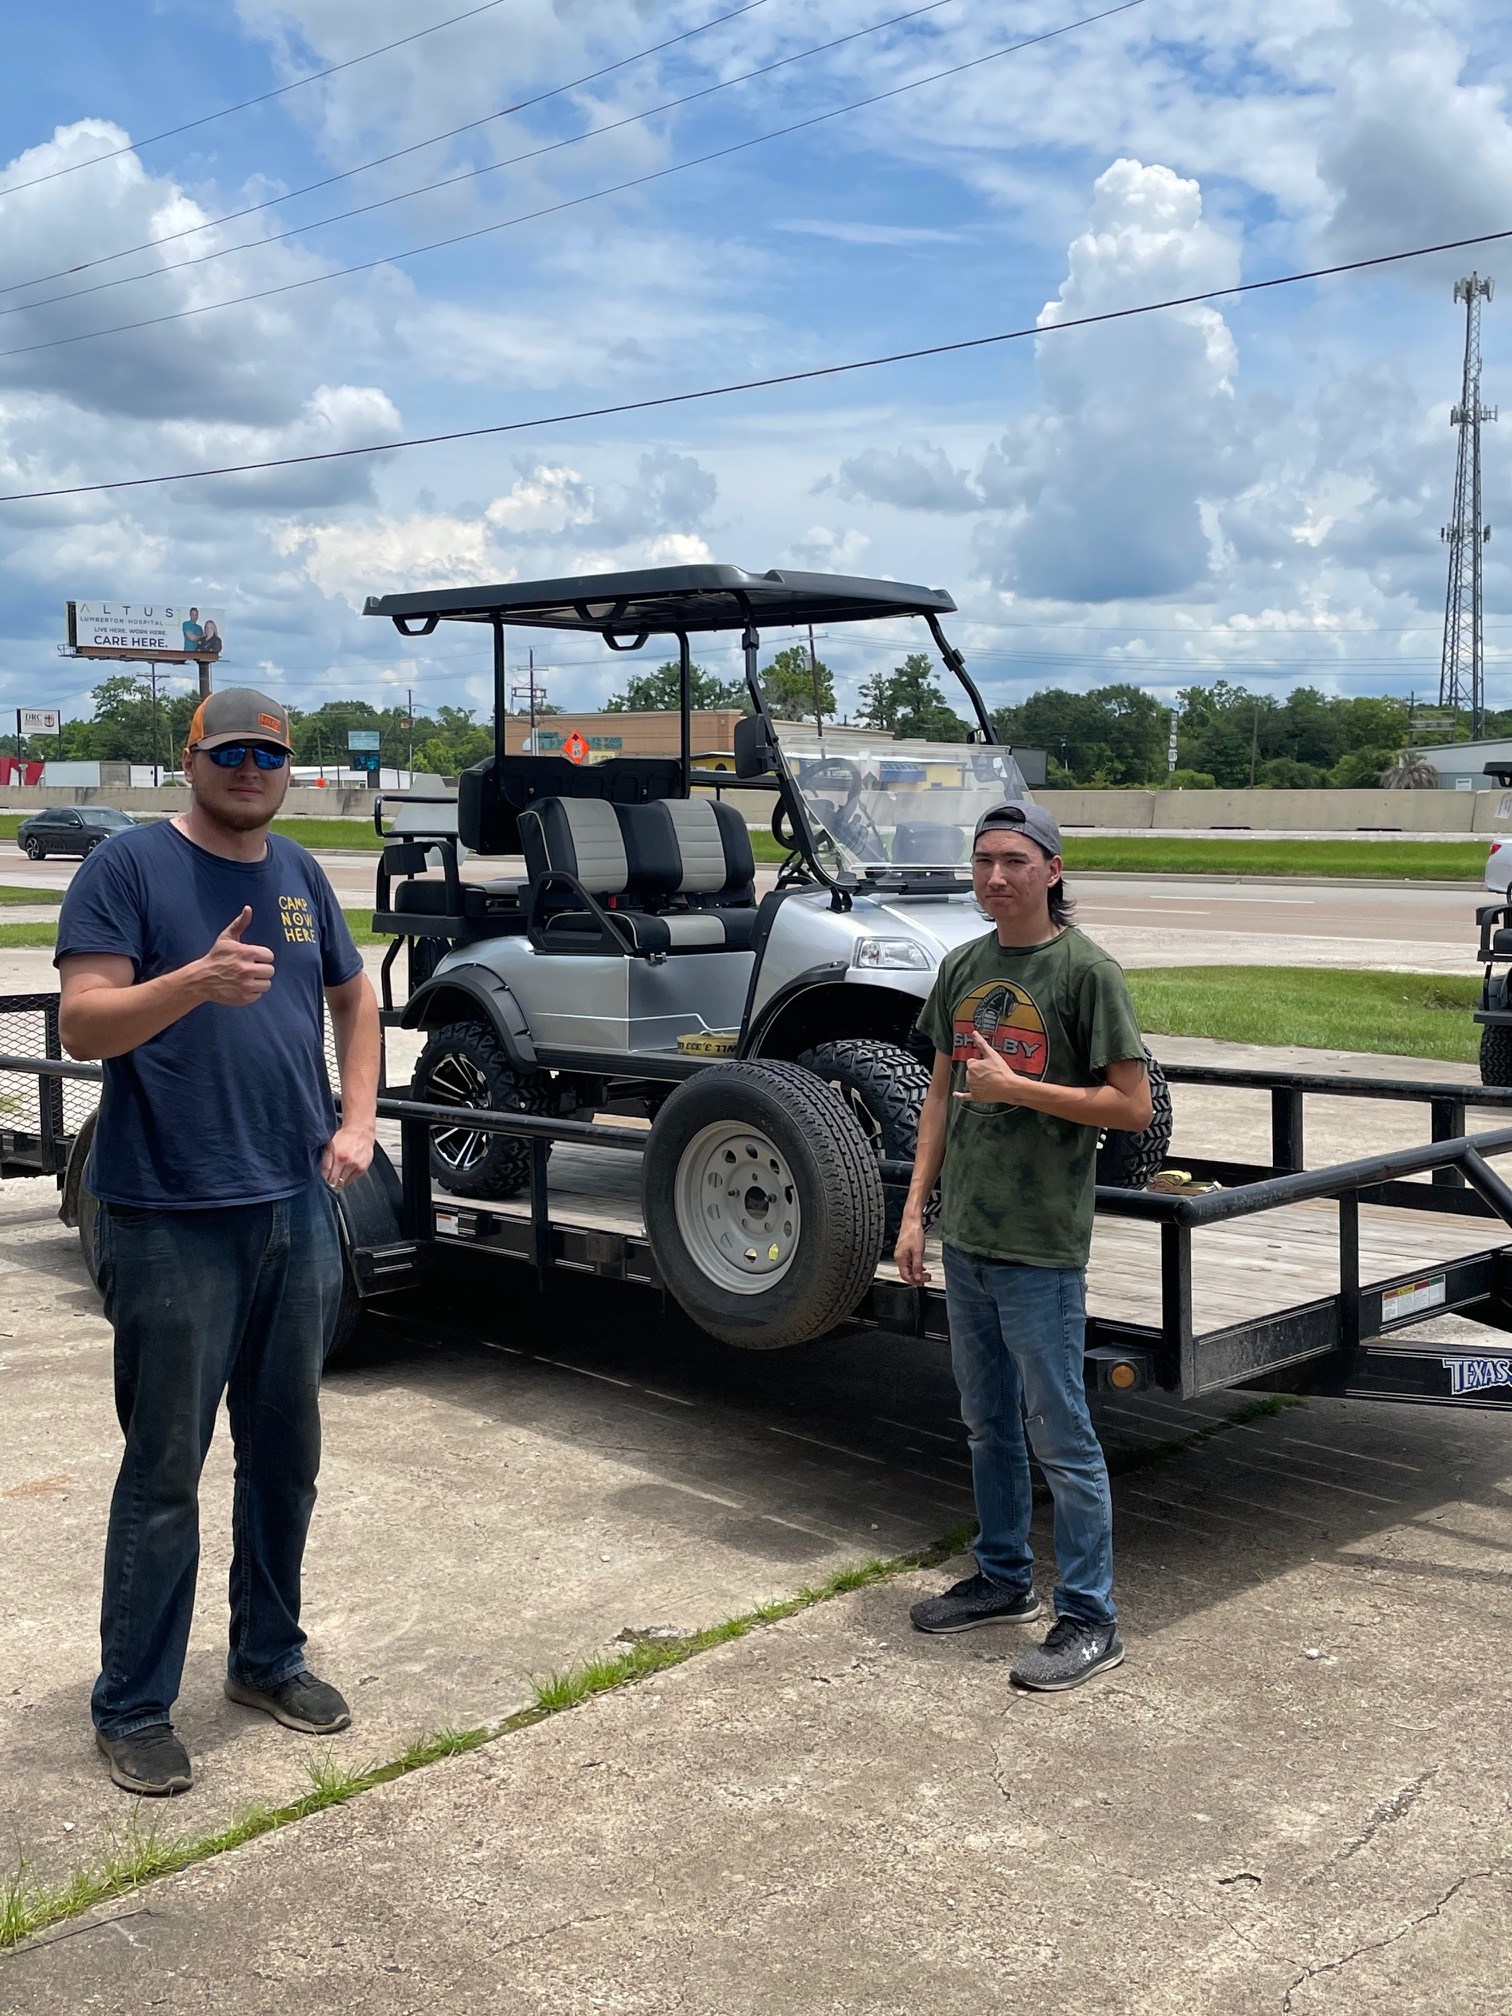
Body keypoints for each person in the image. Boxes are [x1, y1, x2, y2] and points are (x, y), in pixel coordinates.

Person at [56, 687, 381, 1796]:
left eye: (270, 755)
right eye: (231, 752)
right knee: (165, 1470)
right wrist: (193, 981)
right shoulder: (128, 870)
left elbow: (355, 1001)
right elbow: (82, 1023)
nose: (252, 769)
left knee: (286, 1454)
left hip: (294, 1206)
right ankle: (133, 1705)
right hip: (168, 1214)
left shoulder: (298, 875)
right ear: (190, 759)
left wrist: (357, 1121)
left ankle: (266, 1658)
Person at [895, 801, 1152, 1693]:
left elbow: (1131, 1106)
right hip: (967, 1235)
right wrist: (915, 1212)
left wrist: (1021, 1088)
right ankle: (1003, 1579)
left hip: (1041, 1245)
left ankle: (1090, 1617)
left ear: (1052, 869)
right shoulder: (963, 967)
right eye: (982, 861)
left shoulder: (1086, 972)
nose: (996, 877)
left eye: (1013, 860)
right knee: (987, 1422)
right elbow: (938, 1096)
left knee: (1062, 1433)